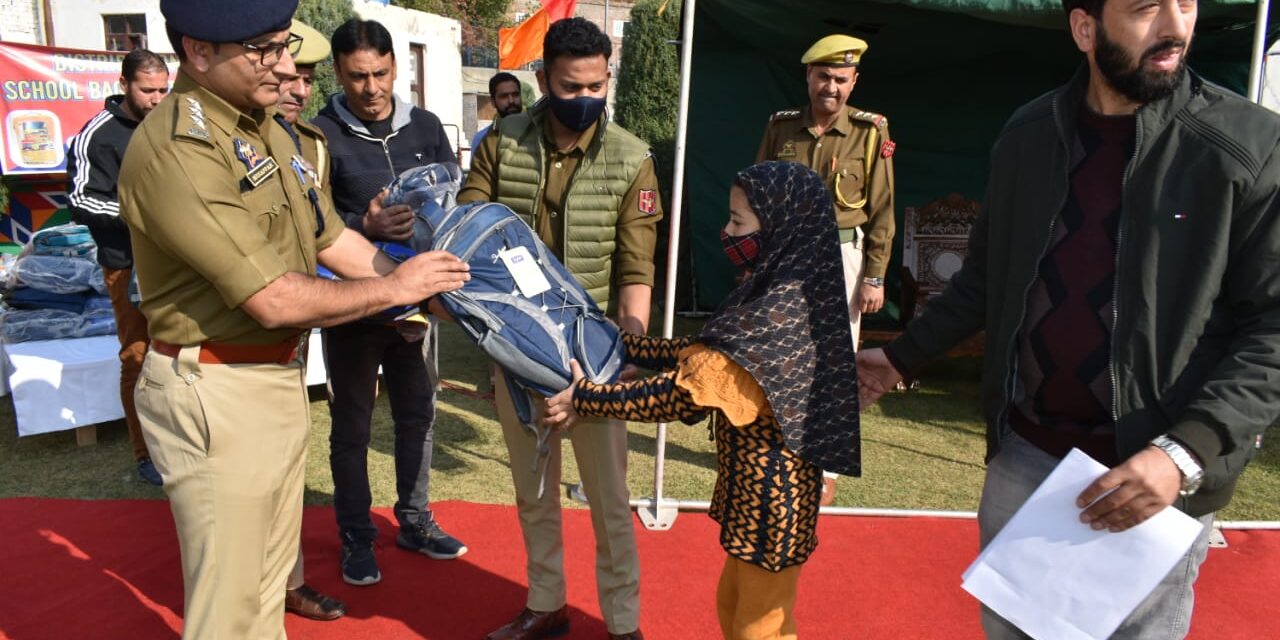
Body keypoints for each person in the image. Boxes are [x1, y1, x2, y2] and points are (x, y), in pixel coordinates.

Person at [857, 0, 1280, 637]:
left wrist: (1184, 453)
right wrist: (899, 356)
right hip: (1028, 459)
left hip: (1154, 479)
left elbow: (1272, 328)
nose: (1175, 27)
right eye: (1146, 8)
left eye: (1187, 3)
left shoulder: (1248, 145)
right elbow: (987, 278)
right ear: (1085, 28)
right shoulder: (1028, 134)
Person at [118, 2, 470, 637]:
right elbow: (272, 298)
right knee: (230, 609)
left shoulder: (267, 130)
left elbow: (330, 238)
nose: (284, 67)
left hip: (272, 378)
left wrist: (424, 293)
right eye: (264, 49)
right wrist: (397, 287)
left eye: (282, 46)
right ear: (199, 50)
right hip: (215, 388)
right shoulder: (179, 150)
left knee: (267, 583)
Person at [545, 161, 860, 640]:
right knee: (736, 607)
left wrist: (587, 398)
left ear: (780, 228)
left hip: (772, 507)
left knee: (759, 624)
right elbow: (706, 352)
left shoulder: (778, 313)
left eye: (738, 221)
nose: (726, 233)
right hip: (760, 500)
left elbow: (678, 397)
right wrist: (629, 345)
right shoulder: (777, 291)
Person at [458, 16, 661, 640]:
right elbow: (467, 228)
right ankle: (546, 602)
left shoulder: (630, 157)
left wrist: (620, 359)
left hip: (591, 360)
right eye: (571, 87)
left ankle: (622, 623)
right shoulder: (502, 142)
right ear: (544, 79)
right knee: (534, 489)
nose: (585, 99)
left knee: (609, 501)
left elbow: (636, 268)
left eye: (597, 86)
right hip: (516, 348)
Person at [312, 17, 466, 588]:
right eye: (358, 76)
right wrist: (365, 225)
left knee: (417, 416)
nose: (371, 88)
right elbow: (310, 223)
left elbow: (454, 200)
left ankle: (415, 520)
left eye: (380, 73)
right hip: (353, 307)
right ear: (338, 73)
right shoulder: (318, 135)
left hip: (418, 310)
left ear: (395, 66)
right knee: (352, 426)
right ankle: (356, 536)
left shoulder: (425, 126)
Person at [755, 34, 895, 507]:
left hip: (841, 255)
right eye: (823, 77)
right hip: (786, 253)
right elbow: (756, 196)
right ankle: (780, 452)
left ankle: (825, 466)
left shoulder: (870, 132)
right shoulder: (781, 127)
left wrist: (874, 276)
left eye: (840, 79)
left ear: (854, 82)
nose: (830, 87)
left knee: (834, 363)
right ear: (808, 77)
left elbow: (882, 209)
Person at [66, 48, 169, 487]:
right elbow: (80, 199)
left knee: (182, 353)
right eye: (148, 90)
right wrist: (140, 215)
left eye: (164, 89)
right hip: (126, 265)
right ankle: (145, 453)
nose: (157, 99)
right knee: (138, 357)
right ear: (124, 84)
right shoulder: (98, 135)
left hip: (176, 263)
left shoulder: (171, 124)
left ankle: (183, 443)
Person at [272, 18, 346, 622]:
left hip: (291, 334)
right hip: (231, 336)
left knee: (290, 459)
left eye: (308, 78)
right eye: (288, 75)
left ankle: (290, 580)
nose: (299, 89)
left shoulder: (312, 144)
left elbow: (325, 235)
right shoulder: (212, 142)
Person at [471, 71, 524, 152]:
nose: (511, 101)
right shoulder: (482, 140)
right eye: (504, 96)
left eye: (515, 95)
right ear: (493, 102)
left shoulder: (536, 132)